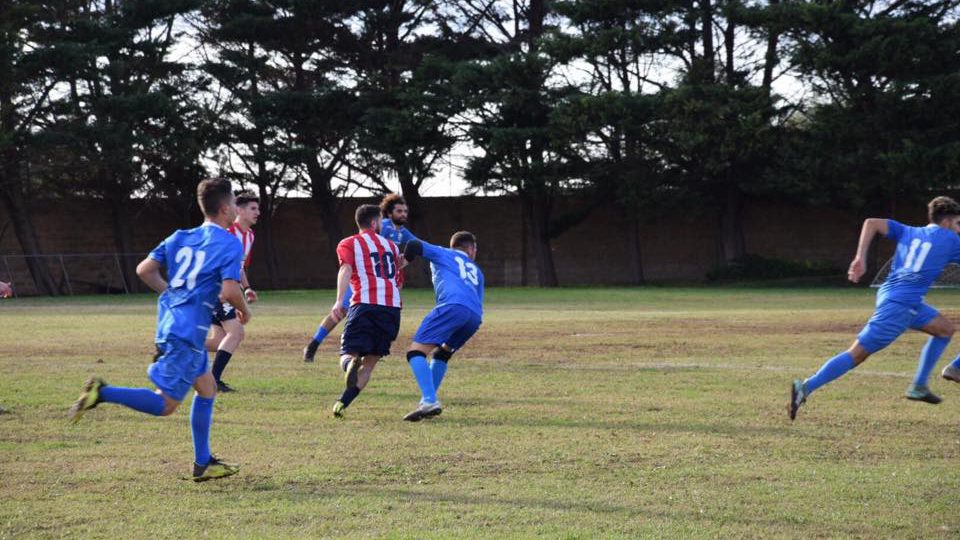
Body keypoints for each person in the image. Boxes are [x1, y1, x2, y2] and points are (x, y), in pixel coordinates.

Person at [68, 178, 251, 482]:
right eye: (233, 202)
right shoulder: (229, 242)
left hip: (172, 323)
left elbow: (145, 270)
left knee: (207, 389)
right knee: (165, 405)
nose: (235, 208)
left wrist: (172, 295)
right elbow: (231, 289)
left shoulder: (180, 236)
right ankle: (103, 392)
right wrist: (246, 310)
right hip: (188, 333)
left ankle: (203, 462)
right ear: (223, 208)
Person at [790, 196, 960, 421]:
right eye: (958, 224)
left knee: (945, 329)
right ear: (948, 222)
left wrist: (860, 258)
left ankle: (920, 385)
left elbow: (871, 222)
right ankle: (806, 387)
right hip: (899, 307)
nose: (958, 229)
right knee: (857, 354)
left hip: (895, 297)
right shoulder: (951, 239)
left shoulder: (908, 231)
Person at [303, 193, 418, 362]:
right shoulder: (383, 226)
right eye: (399, 211)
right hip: (365, 277)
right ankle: (314, 344)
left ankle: (364, 352)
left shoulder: (402, 232)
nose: (403, 214)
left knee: (358, 312)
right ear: (388, 213)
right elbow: (366, 242)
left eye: (405, 211)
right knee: (341, 309)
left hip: (383, 279)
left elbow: (420, 246)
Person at [400, 231, 484, 421]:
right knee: (442, 353)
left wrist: (405, 260)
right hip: (474, 316)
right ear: (470, 249)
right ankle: (426, 402)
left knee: (415, 352)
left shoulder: (442, 252)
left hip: (452, 306)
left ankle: (430, 400)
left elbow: (413, 243)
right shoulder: (477, 270)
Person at [330, 204, 404, 418]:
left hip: (365, 304)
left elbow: (346, 269)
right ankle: (342, 403)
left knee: (348, 352)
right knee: (370, 363)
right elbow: (397, 280)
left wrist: (338, 301)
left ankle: (348, 364)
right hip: (391, 309)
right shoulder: (392, 247)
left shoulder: (348, 243)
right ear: (374, 223)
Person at [206, 191, 260, 392]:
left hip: (227, 290)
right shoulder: (227, 234)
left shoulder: (250, 236)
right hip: (218, 291)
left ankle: (177, 347)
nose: (258, 212)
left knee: (218, 341)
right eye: (253, 208)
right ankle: (213, 380)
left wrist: (246, 288)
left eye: (257, 208)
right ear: (238, 210)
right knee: (237, 332)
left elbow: (239, 267)